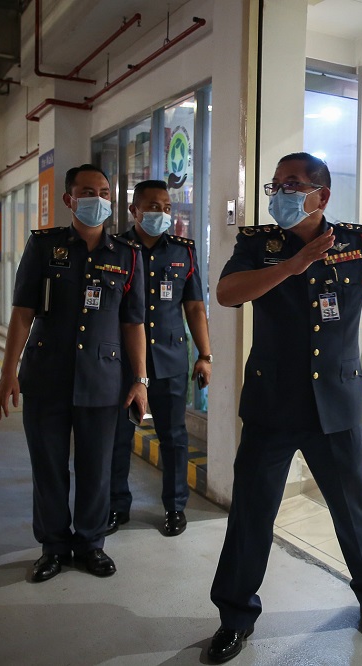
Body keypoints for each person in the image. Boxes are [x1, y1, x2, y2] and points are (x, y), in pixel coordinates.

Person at [206, 152, 362, 664]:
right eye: (276, 184)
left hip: (336, 405)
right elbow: (227, 293)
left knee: (355, 511)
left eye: (293, 184)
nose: (280, 193)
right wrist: (293, 265)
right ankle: (234, 617)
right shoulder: (258, 244)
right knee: (252, 515)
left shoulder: (355, 244)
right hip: (272, 404)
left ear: (321, 196)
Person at [0, 164, 148, 582]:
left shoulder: (127, 255)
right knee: (48, 467)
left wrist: (140, 380)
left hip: (103, 379)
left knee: (97, 468)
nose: (97, 199)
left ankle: (91, 544)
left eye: (104, 192)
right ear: (69, 199)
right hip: (46, 376)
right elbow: (22, 312)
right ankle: (53, 547)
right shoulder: (44, 246)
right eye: (87, 192)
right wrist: (8, 372)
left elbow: (133, 323)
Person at [107, 180, 212, 538]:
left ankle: (175, 507)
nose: (162, 213)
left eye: (167, 207)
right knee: (119, 435)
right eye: (153, 206)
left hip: (169, 358)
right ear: (134, 210)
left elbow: (195, 308)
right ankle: (117, 505)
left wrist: (205, 355)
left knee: (174, 436)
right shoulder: (115, 249)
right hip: (123, 361)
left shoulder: (184, 251)